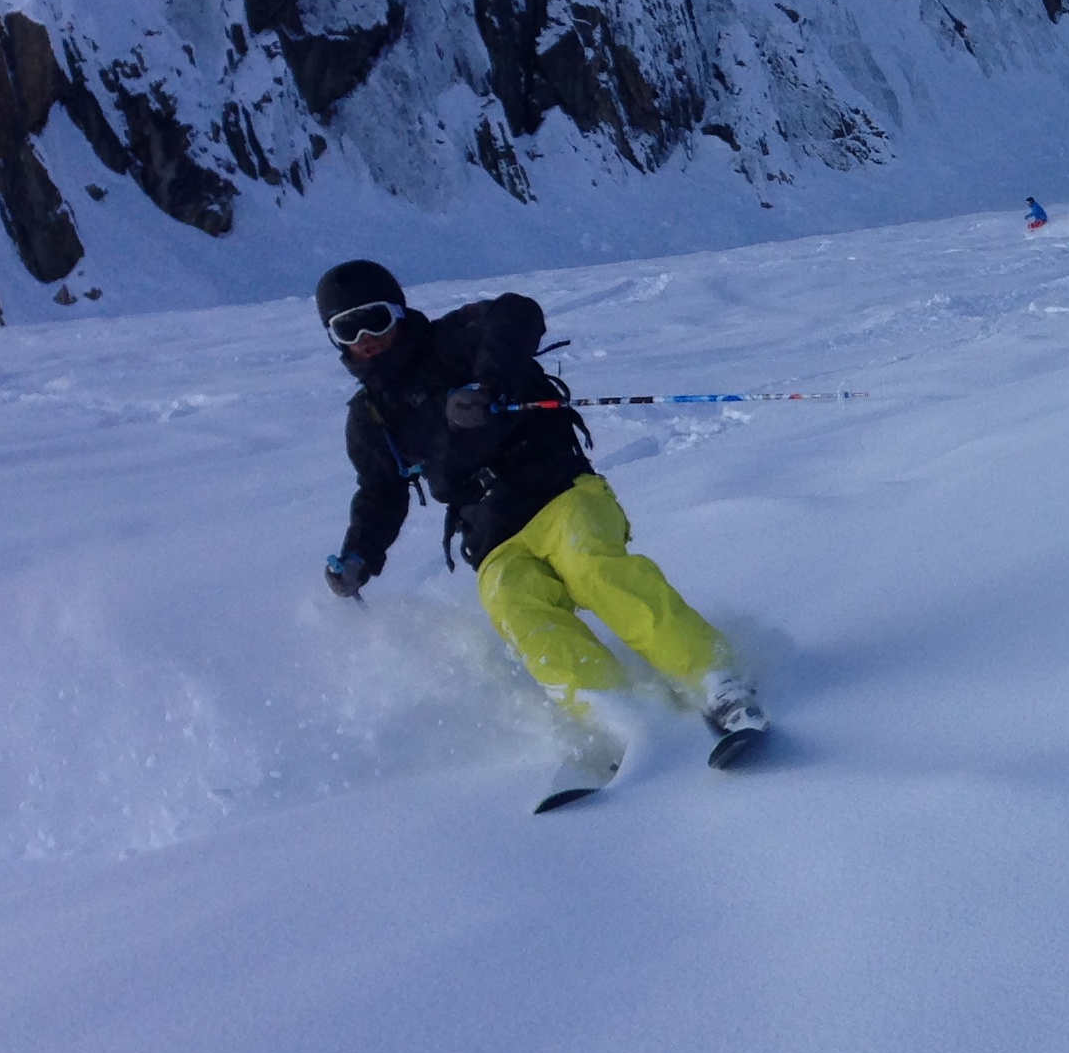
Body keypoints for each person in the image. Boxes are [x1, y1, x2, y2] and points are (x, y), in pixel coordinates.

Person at [314, 258, 767, 771]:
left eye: (375, 318)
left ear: (399, 311)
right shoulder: (369, 418)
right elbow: (380, 492)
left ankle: (716, 680)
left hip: (560, 492)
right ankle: (623, 718)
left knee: (593, 567)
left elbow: (516, 313)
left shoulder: (450, 342)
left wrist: (487, 388)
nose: (366, 337)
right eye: (347, 328)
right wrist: (359, 555)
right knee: (518, 610)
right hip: (491, 536)